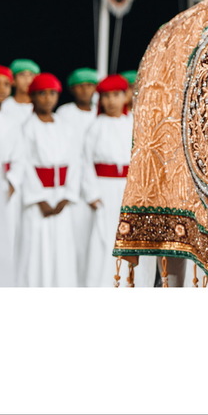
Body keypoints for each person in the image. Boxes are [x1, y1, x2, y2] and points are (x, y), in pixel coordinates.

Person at [7, 72, 84, 287]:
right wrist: (38, 198)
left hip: (61, 197)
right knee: (35, 249)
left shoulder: (66, 127)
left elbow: (75, 162)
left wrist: (67, 195)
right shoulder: (26, 128)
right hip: (37, 201)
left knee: (62, 249)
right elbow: (24, 164)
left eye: (52, 93)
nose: (48, 98)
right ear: (33, 97)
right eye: (42, 94)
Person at [79, 74, 135, 287]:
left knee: (129, 238)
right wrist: (92, 194)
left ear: (125, 96)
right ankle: (101, 285)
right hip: (103, 189)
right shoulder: (95, 127)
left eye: (116, 95)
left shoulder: (132, 123)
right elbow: (84, 161)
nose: (111, 101)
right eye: (106, 96)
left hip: (128, 189)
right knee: (103, 239)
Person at [57, 67, 100, 286]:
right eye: (81, 86)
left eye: (90, 85)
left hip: (96, 187)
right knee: (73, 241)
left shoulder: (100, 113)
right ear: (73, 89)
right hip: (73, 188)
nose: (86, 90)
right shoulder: (64, 113)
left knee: (95, 244)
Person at [0, 63, 24, 258]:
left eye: (6, 84)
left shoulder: (12, 121)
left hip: (7, 188)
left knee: (8, 238)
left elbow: (20, 158)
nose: (2, 89)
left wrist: (11, 184)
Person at [1, 58, 41, 126]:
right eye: (22, 74)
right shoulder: (4, 105)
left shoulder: (42, 106)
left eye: (31, 75)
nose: (27, 79)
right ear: (13, 80)